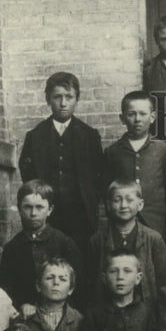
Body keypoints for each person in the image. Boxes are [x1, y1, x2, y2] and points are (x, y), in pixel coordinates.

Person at [18, 72, 104, 253]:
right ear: (48, 99)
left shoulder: (89, 136)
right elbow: (28, 176)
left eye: (69, 97)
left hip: (81, 217)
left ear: (77, 99)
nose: (63, 103)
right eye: (57, 97)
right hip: (47, 216)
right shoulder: (35, 136)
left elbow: (98, 176)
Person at [0, 179, 83, 314]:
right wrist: (21, 305)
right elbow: (6, 290)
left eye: (39, 207)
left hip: (61, 313)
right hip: (25, 315)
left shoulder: (65, 244)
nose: (33, 213)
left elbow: (77, 287)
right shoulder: (12, 248)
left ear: (50, 210)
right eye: (27, 207)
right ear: (19, 209)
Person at [104, 91, 166, 243]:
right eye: (131, 114)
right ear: (122, 118)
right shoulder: (113, 152)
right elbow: (107, 193)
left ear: (152, 117)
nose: (137, 119)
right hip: (123, 224)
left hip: (156, 223)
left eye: (143, 114)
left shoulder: (163, 150)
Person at [88, 178, 166, 305]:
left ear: (140, 204)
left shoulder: (153, 239)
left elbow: (163, 283)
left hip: (145, 309)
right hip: (107, 309)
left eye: (129, 200)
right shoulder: (98, 240)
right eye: (117, 200)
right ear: (108, 205)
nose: (123, 205)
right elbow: (93, 281)